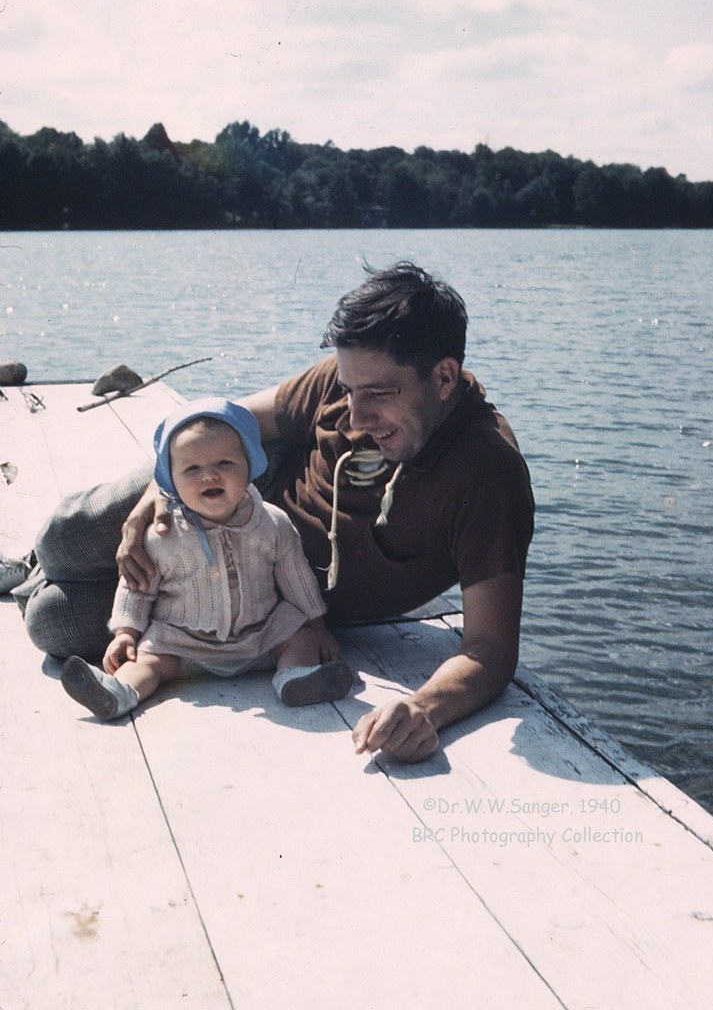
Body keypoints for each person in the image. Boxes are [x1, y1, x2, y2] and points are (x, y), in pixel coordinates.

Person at [13, 261, 534, 761]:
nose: (356, 416)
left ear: (443, 378)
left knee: (52, 621)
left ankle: (33, 580)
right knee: (66, 539)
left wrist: (424, 709)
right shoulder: (348, 383)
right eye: (349, 390)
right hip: (218, 498)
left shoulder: (488, 474)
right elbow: (230, 423)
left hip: (265, 610)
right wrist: (158, 491)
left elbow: (490, 647)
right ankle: (31, 563)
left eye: (378, 394)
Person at [59, 398, 351, 720]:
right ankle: (118, 693)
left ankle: (294, 679)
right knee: (145, 660)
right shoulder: (162, 534)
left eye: (225, 463)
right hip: (183, 642)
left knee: (301, 639)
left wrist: (317, 626)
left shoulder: (272, 523)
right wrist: (125, 633)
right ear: (170, 479)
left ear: (249, 466)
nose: (209, 476)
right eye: (192, 469)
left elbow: (297, 579)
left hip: (261, 635)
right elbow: (136, 587)